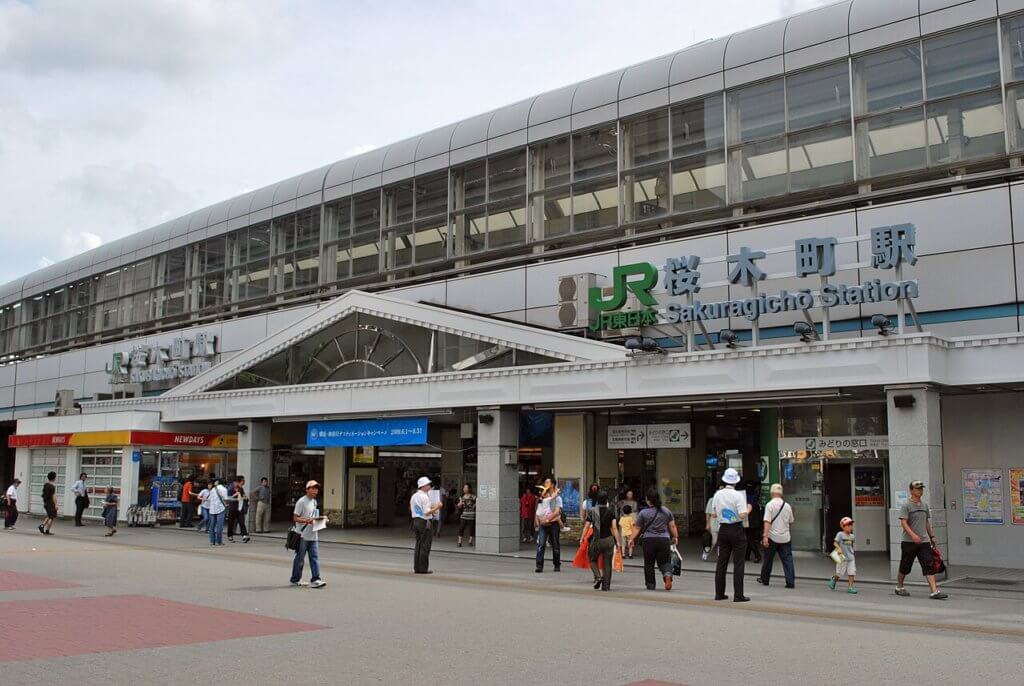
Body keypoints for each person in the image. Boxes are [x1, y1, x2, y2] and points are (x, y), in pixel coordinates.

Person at [894, 481, 949, 600]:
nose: (920, 491)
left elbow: (926, 522)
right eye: (917, 489)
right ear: (911, 490)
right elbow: (903, 523)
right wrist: (913, 535)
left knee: (928, 564)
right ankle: (899, 587)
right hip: (909, 542)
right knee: (905, 566)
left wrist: (932, 536)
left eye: (921, 489)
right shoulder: (906, 505)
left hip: (924, 542)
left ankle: (934, 591)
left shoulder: (924, 505)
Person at [712, 468, 752, 602]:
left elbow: (714, 514)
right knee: (738, 563)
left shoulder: (717, 494)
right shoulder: (738, 496)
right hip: (736, 530)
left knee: (721, 562)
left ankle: (719, 593)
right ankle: (738, 595)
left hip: (723, 529)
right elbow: (742, 514)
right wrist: (749, 509)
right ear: (736, 482)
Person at [630, 486, 678, 591]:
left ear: (648, 500)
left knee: (649, 563)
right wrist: (675, 536)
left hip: (649, 540)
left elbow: (637, 528)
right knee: (665, 561)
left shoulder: (643, 513)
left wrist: (631, 539)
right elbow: (672, 526)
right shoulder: (666, 511)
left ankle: (650, 584)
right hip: (664, 540)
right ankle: (667, 574)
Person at [758, 483, 795, 588]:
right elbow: (791, 520)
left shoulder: (770, 505)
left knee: (768, 559)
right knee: (788, 560)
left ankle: (765, 579)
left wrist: (765, 536)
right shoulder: (787, 506)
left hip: (772, 537)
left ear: (772, 492)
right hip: (785, 538)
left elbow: (767, 521)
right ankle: (790, 581)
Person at [290, 480, 326, 588]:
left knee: (314, 557)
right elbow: (295, 517)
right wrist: (306, 521)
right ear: (307, 489)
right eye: (313, 488)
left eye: (316, 488)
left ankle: (316, 579)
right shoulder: (301, 502)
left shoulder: (314, 501)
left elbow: (314, 516)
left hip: (313, 535)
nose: (315, 490)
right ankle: (296, 578)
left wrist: (320, 520)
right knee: (300, 558)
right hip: (302, 536)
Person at [587, 491, 622, 591]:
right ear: (607, 500)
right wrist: (618, 542)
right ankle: (606, 586)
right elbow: (614, 528)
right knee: (607, 563)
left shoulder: (592, 511)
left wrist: (582, 537)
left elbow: (586, 526)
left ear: (597, 500)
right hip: (608, 540)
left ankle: (598, 576)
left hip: (596, 539)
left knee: (592, 559)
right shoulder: (611, 511)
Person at [410, 476, 443, 574]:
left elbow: (416, 508)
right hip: (424, 522)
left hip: (415, 521)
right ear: (423, 486)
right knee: (425, 546)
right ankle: (423, 569)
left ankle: (417, 568)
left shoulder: (414, 496)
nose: (429, 486)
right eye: (428, 484)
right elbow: (427, 512)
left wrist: (430, 507)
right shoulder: (424, 496)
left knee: (418, 545)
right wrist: (437, 507)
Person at [534, 479, 562, 573]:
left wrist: (547, 520)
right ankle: (539, 565)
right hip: (543, 524)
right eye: (545, 482)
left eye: (548, 482)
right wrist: (539, 520)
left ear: (553, 485)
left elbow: (557, 512)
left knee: (555, 544)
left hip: (553, 523)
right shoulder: (542, 496)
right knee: (541, 544)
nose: (545, 484)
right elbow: (539, 509)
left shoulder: (558, 498)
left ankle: (557, 564)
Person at [829, 516, 857, 593]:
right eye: (848, 525)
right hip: (842, 558)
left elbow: (850, 546)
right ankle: (833, 579)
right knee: (840, 574)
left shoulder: (852, 536)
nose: (850, 527)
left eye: (851, 525)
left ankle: (850, 587)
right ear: (843, 526)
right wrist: (839, 548)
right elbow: (835, 543)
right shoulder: (840, 534)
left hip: (851, 558)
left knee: (852, 572)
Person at [226, 475, 250, 543]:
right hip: (232, 508)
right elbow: (228, 498)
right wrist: (235, 495)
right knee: (231, 523)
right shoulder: (230, 488)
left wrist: (245, 498)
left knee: (242, 522)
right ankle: (230, 536)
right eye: (243, 480)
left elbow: (243, 496)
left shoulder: (241, 488)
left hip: (240, 508)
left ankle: (244, 536)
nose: (244, 482)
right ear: (237, 481)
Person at [703, 483, 723, 561]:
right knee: (714, 541)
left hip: (722, 523)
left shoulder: (725, 500)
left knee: (721, 541)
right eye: (720, 489)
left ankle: (720, 556)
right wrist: (707, 524)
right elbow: (708, 513)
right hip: (713, 523)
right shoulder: (711, 500)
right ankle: (706, 552)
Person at [744, 479, 762, 564]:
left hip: (748, 520)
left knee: (749, 538)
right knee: (750, 537)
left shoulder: (745, 496)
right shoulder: (756, 496)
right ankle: (746, 556)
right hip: (756, 520)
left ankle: (757, 555)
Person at [206, 478, 228, 546]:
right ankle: (219, 541)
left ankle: (212, 541)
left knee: (212, 525)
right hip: (220, 509)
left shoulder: (213, 489)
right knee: (219, 526)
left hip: (212, 509)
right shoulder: (224, 489)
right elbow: (225, 499)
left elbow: (209, 498)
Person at [39, 471, 57, 536]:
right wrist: (56, 505)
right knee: (51, 517)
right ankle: (47, 530)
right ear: (54, 478)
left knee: (49, 515)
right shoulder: (52, 486)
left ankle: (42, 525)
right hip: (51, 503)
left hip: (46, 503)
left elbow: (44, 494)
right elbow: (53, 496)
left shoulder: (46, 485)